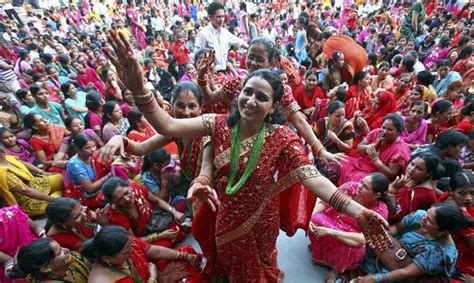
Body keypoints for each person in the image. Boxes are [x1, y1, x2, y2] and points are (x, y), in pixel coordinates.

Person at [105, 32, 388, 282]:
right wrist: (139, 88)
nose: (251, 101)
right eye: (247, 92)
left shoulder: (282, 137)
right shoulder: (216, 123)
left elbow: (312, 178)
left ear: (273, 105)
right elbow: (168, 126)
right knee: (237, 269)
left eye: (261, 98)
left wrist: (357, 210)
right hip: (226, 217)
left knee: (260, 267)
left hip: (262, 219)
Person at [356, 204, 473, 282]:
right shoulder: (419, 215)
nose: (423, 218)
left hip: (400, 274)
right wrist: (380, 235)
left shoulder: (441, 252)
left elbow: (407, 272)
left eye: (430, 221)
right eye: (427, 214)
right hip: (390, 253)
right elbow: (396, 227)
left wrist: (375, 279)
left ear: (444, 231)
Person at [309, 173, 390, 281]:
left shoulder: (380, 211)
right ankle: (317, 247)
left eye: (365, 187)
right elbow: (325, 201)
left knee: (355, 248)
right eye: (362, 182)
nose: (360, 186)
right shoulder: (351, 187)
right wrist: (310, 217)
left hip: (350, 234)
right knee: (315, 219)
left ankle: (336, 269)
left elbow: (363, 238)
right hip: (332, 220)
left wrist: (331, 232)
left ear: (376, 195)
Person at [81, 225, 204, 283]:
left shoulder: (125, 242)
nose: (132, 251)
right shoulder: (103, 281)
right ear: (107, 258)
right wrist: (154, 277)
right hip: (152, 275)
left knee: (187, 252)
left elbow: (154, 250)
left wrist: (184, 256)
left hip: (152, 273)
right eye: (126, 252)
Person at [339, 114, 411, 185]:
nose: (384, 131)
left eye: (390, 130)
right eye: (383, 127)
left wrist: (376, 159)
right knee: (338, 161)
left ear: (398, 132)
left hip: (377, 175)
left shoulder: (400, 150)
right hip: (362, 164)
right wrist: (373, 146)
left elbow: (391, 174)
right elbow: (359, 148)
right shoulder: (376, 132)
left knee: (361, 181)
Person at [0, 143, 63, 216]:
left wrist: (43, 172)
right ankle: (57, 195)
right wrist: (54, 200)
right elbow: (26, 191)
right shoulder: (2, 173)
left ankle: (57, 194)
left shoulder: (8, 158)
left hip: (37, 184)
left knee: (62, 178)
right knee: (57, 206)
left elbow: (24, 163)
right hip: (28, 201)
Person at [438, 171, 474, 280]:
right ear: (451, 191)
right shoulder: (458, 214)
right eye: (462, 193)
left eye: (472, 193)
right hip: (456, 256)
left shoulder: (449, 198)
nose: (468, 198)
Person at [387, 153, 443, 223]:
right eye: (412, 164)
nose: (412, 169)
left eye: (419, 169)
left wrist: (392, 191)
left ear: (428, 173)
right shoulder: (410, 178)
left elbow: (396, 217)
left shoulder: (425, 194)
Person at [194, 2, 248, 72]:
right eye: (218, 17)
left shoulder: (225, 32)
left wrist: (251, 47)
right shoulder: (203, 34)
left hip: (225, 71)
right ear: (210, 17)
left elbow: (240, 42)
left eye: (223, 16)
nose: (222, 19)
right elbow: (196, 55)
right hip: (210, 73)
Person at [8, 237, 90, 282]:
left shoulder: (72, 258)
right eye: (59, 253)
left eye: (61, 247)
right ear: (45, 268)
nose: (66, 250)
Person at [314, 101, 354, 183]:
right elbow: (313, 140)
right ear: (329, 115)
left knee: (330, 172)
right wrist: (322, 153)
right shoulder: (321, 123)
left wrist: (336, 140)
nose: (341, 118)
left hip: (337, 155)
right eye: (337, 116)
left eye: (343, 115)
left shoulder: (347, 126)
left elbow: (348, 148)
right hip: (320, 150)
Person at [0, 205, 43, 283]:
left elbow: (37, 228)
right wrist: (9, 263)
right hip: (6, 263)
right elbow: (7, 261)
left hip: (28, 247)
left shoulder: (13, 212)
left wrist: (43, 236)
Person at [66, 134, 110, 209]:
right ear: (78, 149)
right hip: (84, 194)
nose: (93, 149)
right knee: (113, 193)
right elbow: (90, 188)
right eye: (88, 148)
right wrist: (109, 175)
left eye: (94, 146)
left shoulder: (91, 155)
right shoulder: (75, 164)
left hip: (98, 185)